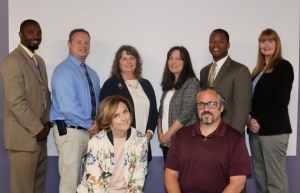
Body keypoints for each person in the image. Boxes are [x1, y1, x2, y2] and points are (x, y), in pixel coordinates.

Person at [165, 87, 252, 193]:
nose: (206, 109)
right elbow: (170, 175)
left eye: (211, 104)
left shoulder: (235, 139)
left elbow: (238, 183)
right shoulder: (180, 136)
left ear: (221, 107)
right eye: (201, 104)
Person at [0, 19, 51, 193]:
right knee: (22, 189)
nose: (36, 36)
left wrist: (47, 123)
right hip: (23, 140)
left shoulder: (39, 61)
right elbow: (16, 102)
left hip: (40, 140)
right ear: (20, 35)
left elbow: (45, 96)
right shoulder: (12, 61)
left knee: (37, 188)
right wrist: (38, 129)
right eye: (31, 32)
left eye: (38, 32)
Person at [50, 28, 101, 193]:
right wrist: (90, 125)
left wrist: (96, 125)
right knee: (70, 184)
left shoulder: (92, 73)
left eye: (86, 42)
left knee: (86, 184)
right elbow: (68, 106)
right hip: (71, 132)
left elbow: (97, 104)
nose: (83, 45)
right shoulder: (63, 70)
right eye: (78, 42)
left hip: (89, 133)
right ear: (69, 44)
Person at [247, 28, 293, 193]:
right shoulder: (257, 71)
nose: (266, 45)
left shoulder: (283, 67)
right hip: (255, 132)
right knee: (262, 181)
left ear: (277, 44)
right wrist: (249, 121)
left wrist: (258, 121)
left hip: (274, 131)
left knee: (276, 183)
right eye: (262, 41)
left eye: (270, 41)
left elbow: (281, 102)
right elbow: (252, 102)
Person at [77, 95, 148, 193]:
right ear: (108, 120)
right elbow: (95, 185)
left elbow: (137, 183)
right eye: (116, 115)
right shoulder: (96, 142)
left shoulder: (141, 140)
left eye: (125, 111)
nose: (124, 118)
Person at [100, 45, 157, 162]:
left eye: (132, 58)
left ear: (137, 61)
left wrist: (150, 133)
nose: (128, 61)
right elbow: (106, 116)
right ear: (118, 62)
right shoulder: (111, 84)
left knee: (139, 180)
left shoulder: (146, 84)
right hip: (119, 146)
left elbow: (154, 112)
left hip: (142, 145)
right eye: (124, 58)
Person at [200, 29, 252, 134]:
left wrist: (233, 137)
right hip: (207, 133)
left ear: (228, 45)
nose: (215, 44)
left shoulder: (240, 70)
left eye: (220, 41)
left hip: (228, 133)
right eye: (212, 41)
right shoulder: (204, 71)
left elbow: (242, 110)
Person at [157, 46, 200, 161]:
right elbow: (161, 112)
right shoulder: (168, 85)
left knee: (184, 178)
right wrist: (160, 134)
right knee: (169, 177)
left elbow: (186, 113)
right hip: (166, 143)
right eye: (170, 58)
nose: (173, 62)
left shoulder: (192, 83)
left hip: (184, 143)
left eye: (178, 58)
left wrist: (168, 135)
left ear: (185, 62)